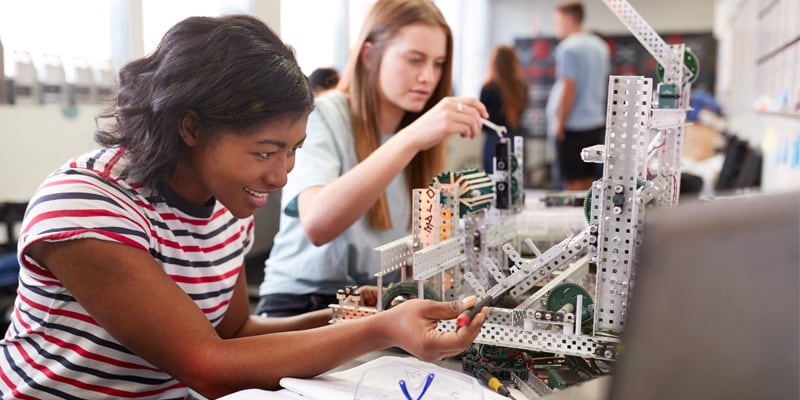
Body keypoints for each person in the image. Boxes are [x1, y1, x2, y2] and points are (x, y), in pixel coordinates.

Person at [0, 15, 489, 399]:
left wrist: (346, 318)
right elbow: (209, 366)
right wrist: (381, 330)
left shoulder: (223, 207)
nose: (281, 176)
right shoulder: (89, 205)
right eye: (265, 152)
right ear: (190, 128)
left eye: (294, 149)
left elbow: (235, 332)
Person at [257, 0, 488, 317]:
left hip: (375, 303)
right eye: (414, 60)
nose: (428, 77)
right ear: (369, 55)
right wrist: (410, 139)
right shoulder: (324, 114)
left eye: (438, 64)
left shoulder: (419, 138)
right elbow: (317, 225)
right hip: (302, 305)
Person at [547, 1, 610, 190]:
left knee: (572, 184)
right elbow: (605, 84)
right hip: (595, 123)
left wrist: (560, 123)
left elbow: (569, 88)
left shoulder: (568, 48)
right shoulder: (600, 46)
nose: (556, 25)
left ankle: (575, 220)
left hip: (573, 127)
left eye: (557, 20)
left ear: (568, 18)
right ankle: (588, 219)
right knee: (590, 181)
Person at [480, 45, 528, 173]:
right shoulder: (522, 87)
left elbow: (482, 120)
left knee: (494, 183)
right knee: (516, 183)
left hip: (494, 141)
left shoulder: (489, 88)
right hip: (517, 140)